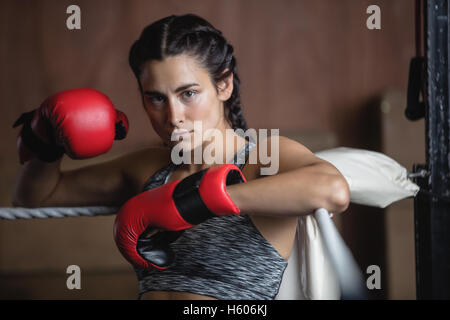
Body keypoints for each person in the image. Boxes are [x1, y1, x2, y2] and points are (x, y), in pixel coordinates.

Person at [12, 14, 350, 300]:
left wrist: (192, 202)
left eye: (188, 93)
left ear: (224, 85)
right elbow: (35, 200)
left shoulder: (262, 157)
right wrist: (44, 141)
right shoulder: (148, 168)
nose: (173, 116)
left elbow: (333, 190)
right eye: (156, 98)